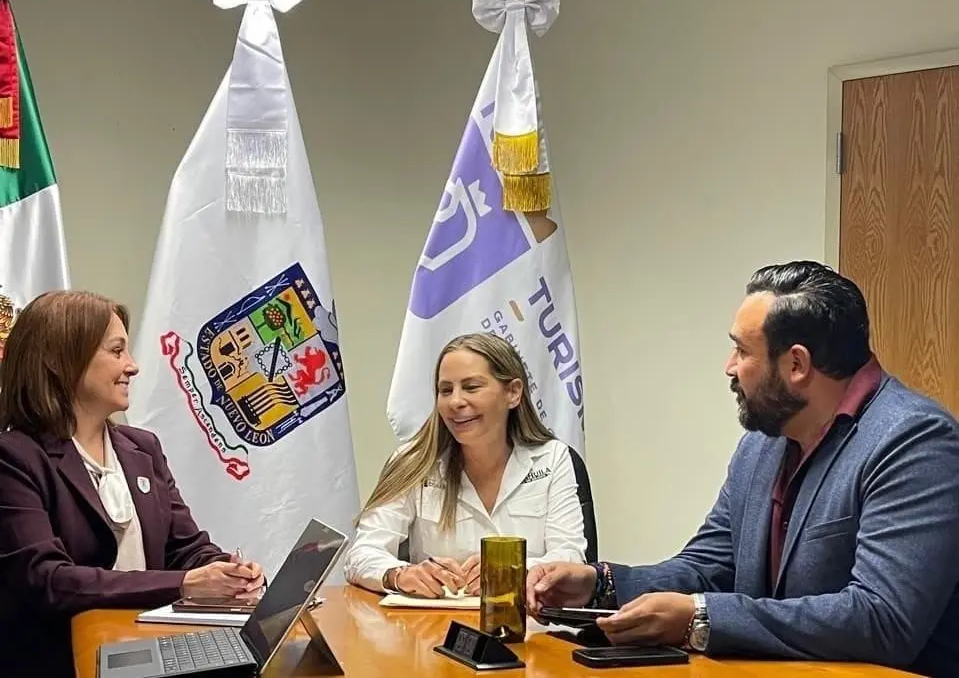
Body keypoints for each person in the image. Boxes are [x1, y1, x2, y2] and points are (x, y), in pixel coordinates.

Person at [527, 261, 959, 677]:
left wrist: (701, 617)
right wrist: (599, 584)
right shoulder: (762, 444)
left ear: (796, 365)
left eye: (741, 350)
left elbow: (882, 619)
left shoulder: (913, 441)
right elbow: (708, 567)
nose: (729, 367)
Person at [0, 291, 267, 677]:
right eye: (117, 351)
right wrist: (187, 584)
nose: (134, 366)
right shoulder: (14, 459)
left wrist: (226, 570)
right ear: (60, 360)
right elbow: (50, 581)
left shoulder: (142, 447)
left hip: (151, 650)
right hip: (64, 661)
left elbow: (186, 548)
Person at [344, 332, 586, 597]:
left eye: (471, 387)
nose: (455, 402)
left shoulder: (552, 458)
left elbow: (571, 558)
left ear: (513, 393)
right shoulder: (413, 461)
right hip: (433, 628)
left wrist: (509, 571)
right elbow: (361, 553)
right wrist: (399, 575)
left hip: (528, 622)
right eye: (445, 390)